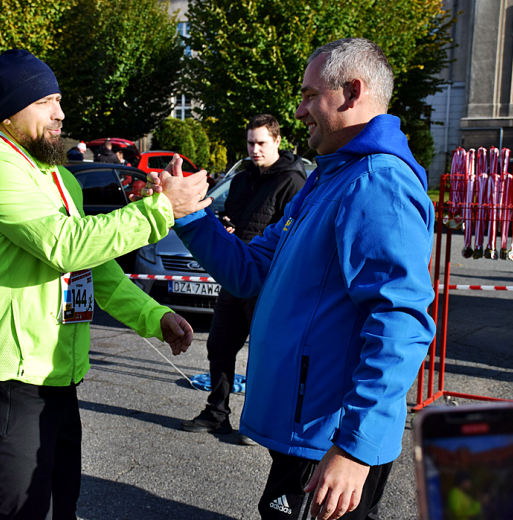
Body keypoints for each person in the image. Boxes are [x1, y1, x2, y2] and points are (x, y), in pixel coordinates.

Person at [146, 38, 436, 520]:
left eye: (308, 95)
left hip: (329, 442)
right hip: (308, 434)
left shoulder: (376, 182)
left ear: (351, 91)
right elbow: (250, 270)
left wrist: (355, 449)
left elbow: (400, 321)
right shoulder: (331, 178)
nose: (299, 111)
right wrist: (191, 216)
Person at [0, 49, 208, 520]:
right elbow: (63, 246)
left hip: (56, 373)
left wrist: (155, 315)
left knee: (61, 505)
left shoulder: (55, 175)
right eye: (47, 100)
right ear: (11, 110)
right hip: (7, 375)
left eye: (60, 99)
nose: (61, 113)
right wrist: (161, 210)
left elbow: (94, 266)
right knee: (25, 513)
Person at [180, 114, 306, 446]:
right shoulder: (240, 178)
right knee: (219, 346)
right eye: (251, 142)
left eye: (262, 142)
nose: (255, 149)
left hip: (268, 282)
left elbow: (291, 236)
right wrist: (226, 227)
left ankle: (257, 423)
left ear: (277, 141)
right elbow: (233, 218)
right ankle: (216, 413)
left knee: (263, 354)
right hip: (236, 274)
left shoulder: (293, 181)